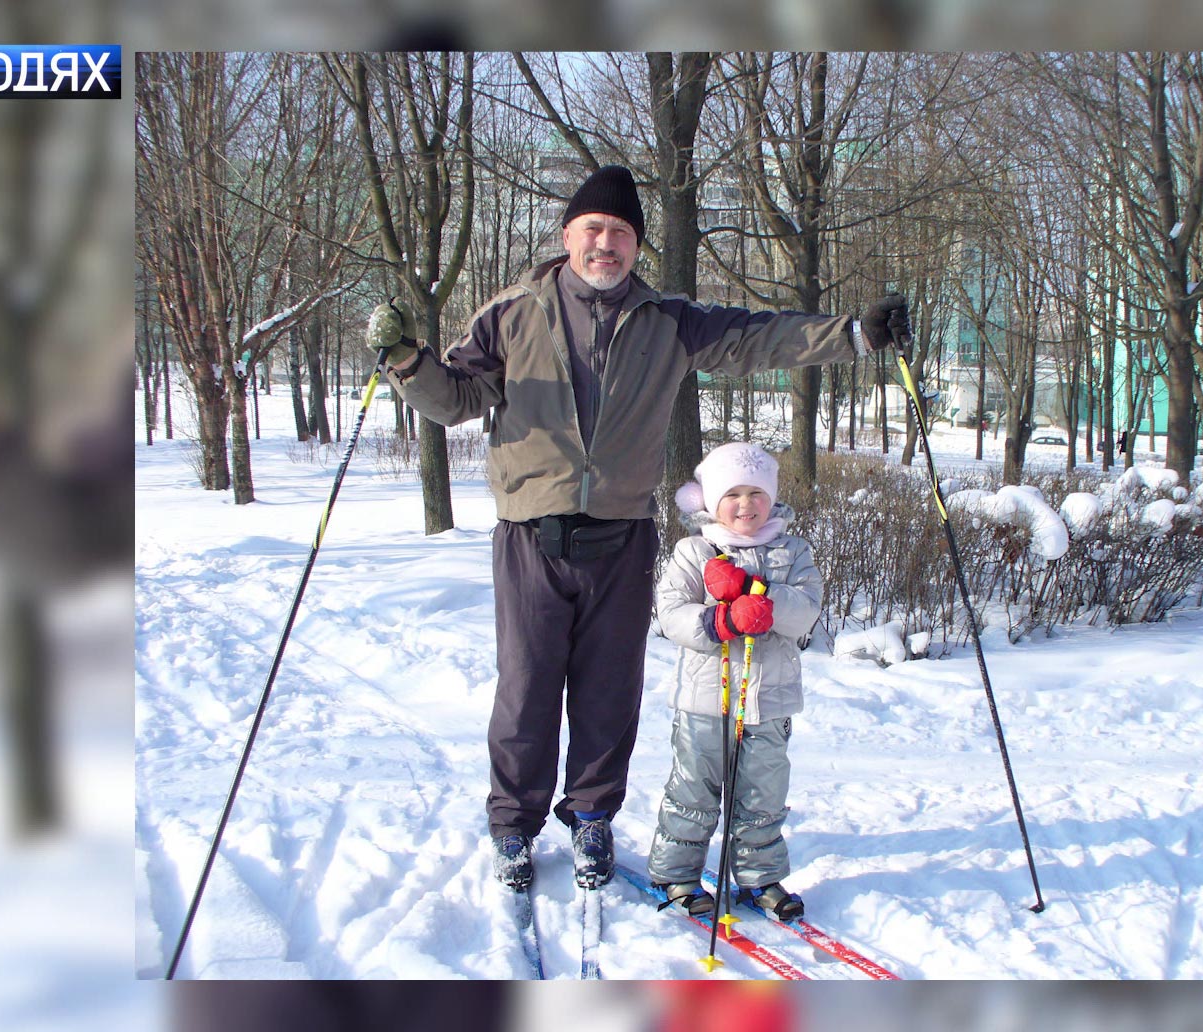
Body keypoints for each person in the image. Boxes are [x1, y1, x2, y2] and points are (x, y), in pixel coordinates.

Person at [363, 165, 911, 891]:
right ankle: (513, 827)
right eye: (593, 229)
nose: (606, 244)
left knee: (609, 691)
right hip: (532, 536)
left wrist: (854, 335)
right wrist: (406, 360)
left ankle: (592, 818)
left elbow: (759, 339)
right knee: (525, 689)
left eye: (620, 233)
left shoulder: (668, 321)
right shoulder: (514, 313)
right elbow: (455, 398)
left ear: (635, 246)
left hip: (621, 537)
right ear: (568, 236)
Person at [646, 441, 821, 921]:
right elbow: (672, 612)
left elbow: (807, 608)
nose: (746, 505)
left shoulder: (792, 549)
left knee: (763, 794)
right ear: (710, 501)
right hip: (706, 699)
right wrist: (716, 622)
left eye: (756, 493)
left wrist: (767, 605)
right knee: (694, 789)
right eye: (733, 495)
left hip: (770, 699)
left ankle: (759, 878)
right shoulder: (693, 551)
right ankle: (677, 873)